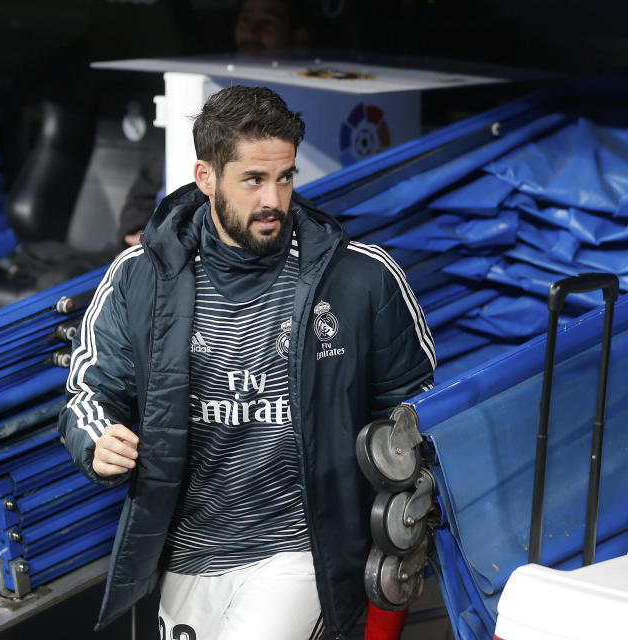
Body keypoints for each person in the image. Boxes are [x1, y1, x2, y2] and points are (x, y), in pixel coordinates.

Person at [58, 85, 435, 639]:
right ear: (205, 177)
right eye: (253, 180)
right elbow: (88, 394)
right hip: (186, 551)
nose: (274, 201)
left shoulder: (362, 278)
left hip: (300, 552)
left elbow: (414, 411)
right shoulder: (140, 276)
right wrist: (99, 440)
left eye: (285, 177)